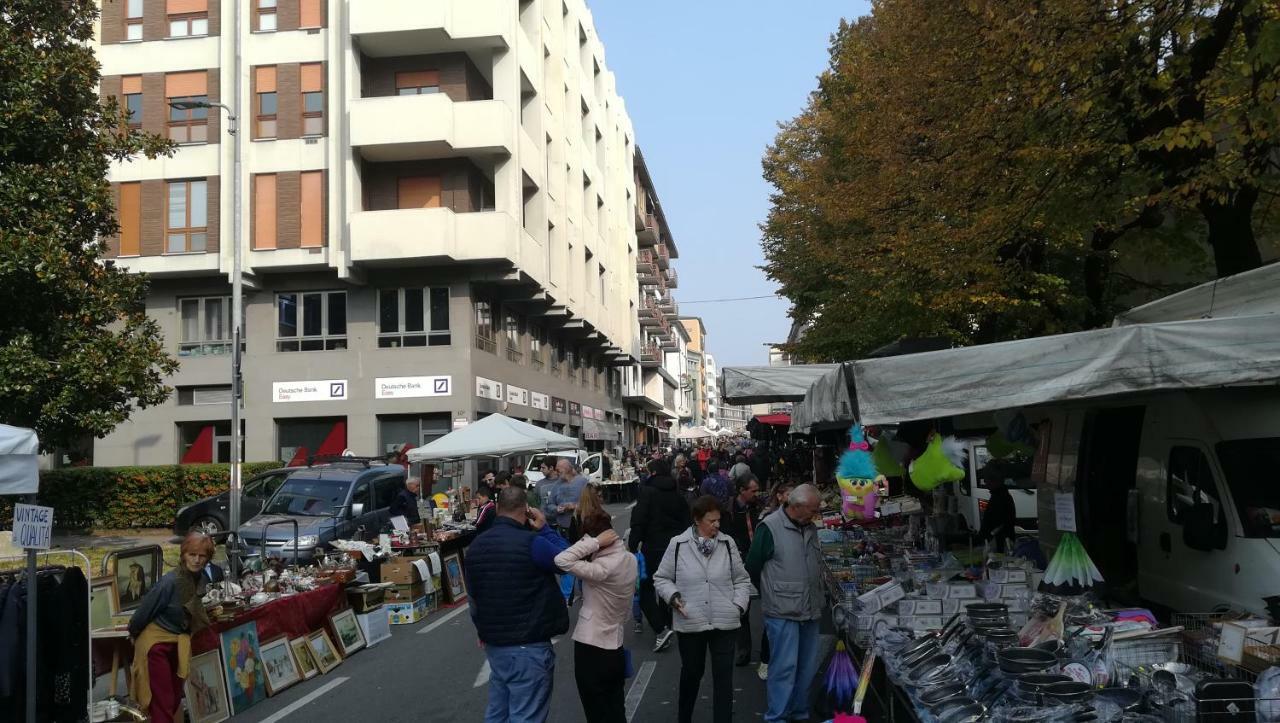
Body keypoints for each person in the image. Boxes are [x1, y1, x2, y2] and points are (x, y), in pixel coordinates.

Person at [465, 488, 570, 723]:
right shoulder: (533, 543)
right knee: (527, 714)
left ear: (498, 508)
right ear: (527, 510)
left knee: (497, 713)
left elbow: (473, 598)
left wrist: (482, 629)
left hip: (495, 643)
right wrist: (544, 528)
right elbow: (569, 560)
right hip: (529, 643)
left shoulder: (476, 546)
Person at [654, 496, 752, 723]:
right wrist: (674, 597)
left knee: (723, 680)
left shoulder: (728, 544)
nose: (717, 525)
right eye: (711, 521)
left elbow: (742, 580)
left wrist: (738, 606)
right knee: (691, 674)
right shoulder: (678, 544)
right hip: (691, 622)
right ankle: (684, 718)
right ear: (697, 520)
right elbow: (661, 578)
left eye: (718, 520)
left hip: (725, 621)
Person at [746, 485, 826, 723]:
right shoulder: (769, 527)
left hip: (810, 607)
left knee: (807, 667)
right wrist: (770, 592)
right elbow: (752, 565)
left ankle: (799, 712)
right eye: (812, 509)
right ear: (797, 506)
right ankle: (777, 717)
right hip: (782, 611)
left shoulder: (809, 526)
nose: (815, 514)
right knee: (783, 668)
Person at [555, 510, 637, 723]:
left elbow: (561, 560)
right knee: (616, 708)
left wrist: (593, 543)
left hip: (591, 648)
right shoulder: (630, 559)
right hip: (615, 645)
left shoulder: (601, 568)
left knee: (596, 713)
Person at [128, 532, 215, 723]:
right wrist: (134, 633)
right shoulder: (169, 582)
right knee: (162, 700)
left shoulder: (200, 578)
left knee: (175, 697)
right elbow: (142, 614)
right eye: (192, 555)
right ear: (184, 555)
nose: (197, 560)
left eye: (202, 556)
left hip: (178, 640)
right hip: (156, 644)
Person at [627, 458, 690, 653]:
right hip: (674, 547)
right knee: (667, 585)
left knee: (645, 588)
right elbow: (686, 520)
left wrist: (633, 543)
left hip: (652, 547)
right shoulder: (677, 492)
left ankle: (660, 628)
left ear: (653, 473)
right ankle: (666, 623)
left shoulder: (647, 492)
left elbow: (639, 518)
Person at [720, 474, 761, 666]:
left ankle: (769, 650)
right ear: (742, 491)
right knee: (743, 606)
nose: (756, 493)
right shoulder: (728, 511)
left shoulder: (758, 506)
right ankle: (743, 650)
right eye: (753, 490)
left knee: (770, 603)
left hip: (759, 560)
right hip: (739, 560)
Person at [977, 466, 1017, 553]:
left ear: (995, 481)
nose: (985, 482)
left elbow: (996, 522)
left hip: (999, 542)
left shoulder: (1000, 498)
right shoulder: (1000, 496)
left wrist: (986, 536)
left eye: (986, 479)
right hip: (999, 539)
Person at [545, 458, 589, 533]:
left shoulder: (583, 482)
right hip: (562, 528)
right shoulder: (557, 485)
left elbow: (591, 503)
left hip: (581, 527)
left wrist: (575, 506)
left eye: (558, 470)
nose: (556, 472)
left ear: (567, 469)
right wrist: (556, 509)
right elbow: (549, 504)